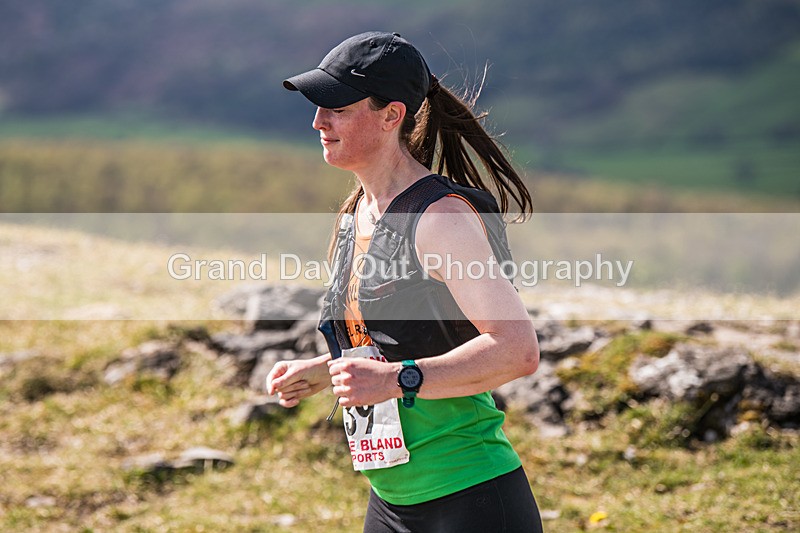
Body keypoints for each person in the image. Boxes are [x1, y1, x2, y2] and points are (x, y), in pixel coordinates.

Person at [267, 31, 543, 533]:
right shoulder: (358, 212)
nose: (318, 122)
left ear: (392, 114)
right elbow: (401, 340)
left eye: (338, 108)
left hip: (470, 497)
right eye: (317, 108)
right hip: (392, 500)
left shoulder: (440, 218)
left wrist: (394, 382)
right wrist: (324, 370)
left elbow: (517, 350)